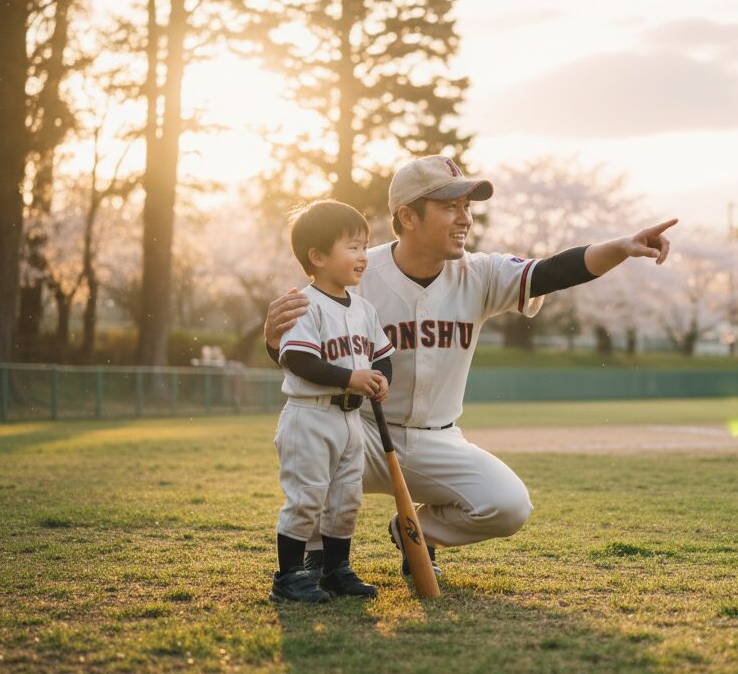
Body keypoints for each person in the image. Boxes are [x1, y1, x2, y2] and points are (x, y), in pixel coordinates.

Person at [264, 155, 675, 578]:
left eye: (468, 207)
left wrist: (622, 247)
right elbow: (300, 351)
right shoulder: (355, 268)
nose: (465, 219)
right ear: (407, 216)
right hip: (360, 429)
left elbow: (552, 271)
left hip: (436, 439)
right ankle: (314, 555)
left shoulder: (479, 273)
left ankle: (415, 532)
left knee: (508, 505)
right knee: (315, 447)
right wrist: (273, 343)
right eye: (450, 206)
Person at [269, 200, 395, 603]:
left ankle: (335, 570)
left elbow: (382, 357)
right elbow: (298, 359)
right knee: (307, 498)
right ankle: (288, 576)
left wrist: (379, 380)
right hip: (309, 417)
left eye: (364, 246)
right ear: (318, 256)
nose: (363, 257)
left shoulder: (364, 309)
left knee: (345, 500)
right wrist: (351, 377)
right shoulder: (303, 305)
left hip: (349, 420)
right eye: (352, 247)